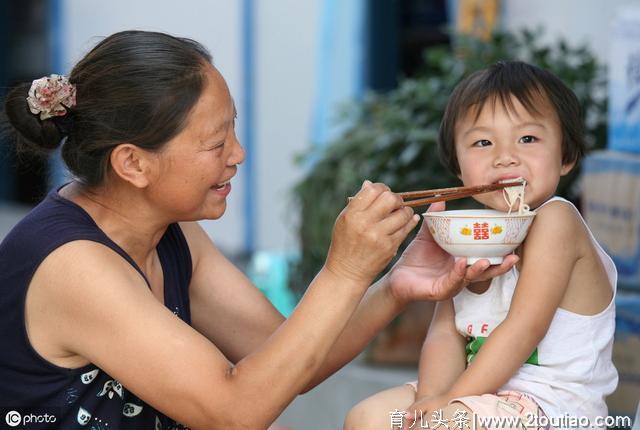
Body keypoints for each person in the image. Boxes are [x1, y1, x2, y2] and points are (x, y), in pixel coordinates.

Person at [0, 31, 516, 430]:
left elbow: (283, 357)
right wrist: (342, 269)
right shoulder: (75, 266)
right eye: (215, 142)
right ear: (133, 164)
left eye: (234, 130)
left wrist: (393, 285)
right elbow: (235, 412)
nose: (238, 155)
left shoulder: (168, 233)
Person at [345, 61, 618, 430]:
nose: (505, 156)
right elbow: (445, 333)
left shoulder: (557, 221)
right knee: (368, 419)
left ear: (566, 155)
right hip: (478, 397)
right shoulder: (469, 232)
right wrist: (430, 399)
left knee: (444, 425)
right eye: (483, 142)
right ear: (459, 166)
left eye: (528, 139)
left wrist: (448, 403)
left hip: (553, 406)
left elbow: (525, 326)